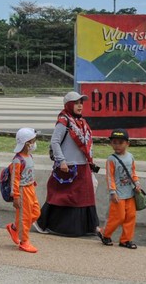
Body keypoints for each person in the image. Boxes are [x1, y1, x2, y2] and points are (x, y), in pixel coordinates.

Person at [35, 91, 100, 237]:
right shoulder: (63, 121)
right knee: (65, 197)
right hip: (68, 167)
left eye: (81, 103)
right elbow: (55, 142)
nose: (80, 106)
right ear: (69, 105)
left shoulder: (82, 122)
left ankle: (87, 227)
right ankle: (57, 226)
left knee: (84, 197)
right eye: (76, 103)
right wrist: (61, 160)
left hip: (83, 165)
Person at [99, 128, 142, 249]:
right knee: (118, 217)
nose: (117, 145)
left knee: (130, 217)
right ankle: (105, 234)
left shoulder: (130, 157)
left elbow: (133, 172)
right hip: (118, 194)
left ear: (127, 143)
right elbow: (109, 177)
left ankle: (126, 240)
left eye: (120, 142)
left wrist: (137, 183)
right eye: (114, 142)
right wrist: (112, 192)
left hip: (130, 193)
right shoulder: (111, 159)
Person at [5, 127, 40, 253]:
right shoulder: (17, 160)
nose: (35, 143)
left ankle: (15, 228)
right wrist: (15, 195)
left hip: (31, 188)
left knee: (35, 213)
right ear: (27, 143)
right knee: (25, 217)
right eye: (33, 140)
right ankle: (24, 241)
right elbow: (15, 179)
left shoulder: (29, 156)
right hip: (23, 191)